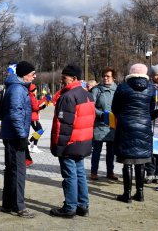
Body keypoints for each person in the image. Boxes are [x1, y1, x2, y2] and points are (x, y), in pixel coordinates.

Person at [49, 64, 94, 218]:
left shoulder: (68, 96)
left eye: (64, 77)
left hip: (70, 143)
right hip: (82, 141)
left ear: (74, 78)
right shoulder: (87, 94)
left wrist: (59, 146)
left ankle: (70, 207)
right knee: (80, 173)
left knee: (70, 176)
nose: (62, 80)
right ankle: (83, 205)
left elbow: (64, 125)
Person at [111, 63, 156, 203]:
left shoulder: (122, 87)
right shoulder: (151, 88)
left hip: (126, 126)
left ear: (131, 72)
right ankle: (140, 193)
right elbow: (151, 109)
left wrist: (123, 117)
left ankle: (127, 194)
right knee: (141, 162)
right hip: (144, 126)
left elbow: (114, 107)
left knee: (127, 162)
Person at [0, 61, 36, 219]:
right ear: (24, 74)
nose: (35, 76)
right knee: (18, 171)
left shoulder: (16, 87)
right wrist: (22, 136)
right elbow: (15, 113)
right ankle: (19, 206)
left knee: (12, 170)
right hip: (15, 136)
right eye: (32, 74)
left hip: (12, 135)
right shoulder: (17, 89)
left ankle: (8, 203)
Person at [89, 67, 118, 181]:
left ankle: (110, 172)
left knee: (111, 152)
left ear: (113, 78)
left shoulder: (118, 90)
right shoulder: (96, 90)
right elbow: (91, 106)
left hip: (113, 125)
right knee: (97, 150)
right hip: (99, 124)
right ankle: (94, 172)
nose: (106, 78)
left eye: (108, 76)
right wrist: (101, 114)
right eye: (104, 76)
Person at [28, 84, 47, 154]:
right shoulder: (31, 97)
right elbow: (35, 108)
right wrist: (41, 107)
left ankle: (34, 146)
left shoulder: (32, 96)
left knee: (38, 131)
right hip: (33, 118)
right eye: (35, 90)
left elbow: (37, 104)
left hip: (34, 117)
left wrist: (43, 101)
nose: (36, 91)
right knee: (40, 131)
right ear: (33, 90)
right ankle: (30, 142)